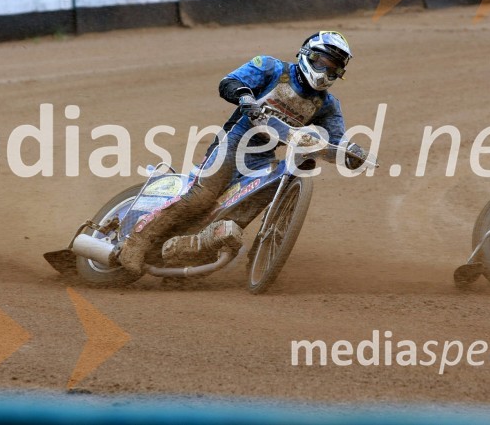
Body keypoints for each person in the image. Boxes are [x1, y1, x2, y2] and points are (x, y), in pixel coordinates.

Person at [117, 32, 369, 280]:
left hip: (261, 156)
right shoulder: (270, 68)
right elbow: (229, 82)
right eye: (321, 63)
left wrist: (352, 154)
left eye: (333, 69)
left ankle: (190, 253)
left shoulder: (327, 105)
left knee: (255, 198)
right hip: (235, 140)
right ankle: (135, 241)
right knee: (202, 195)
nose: (325, 72)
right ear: (306, 55)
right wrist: (245, 96)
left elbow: (338, 141)